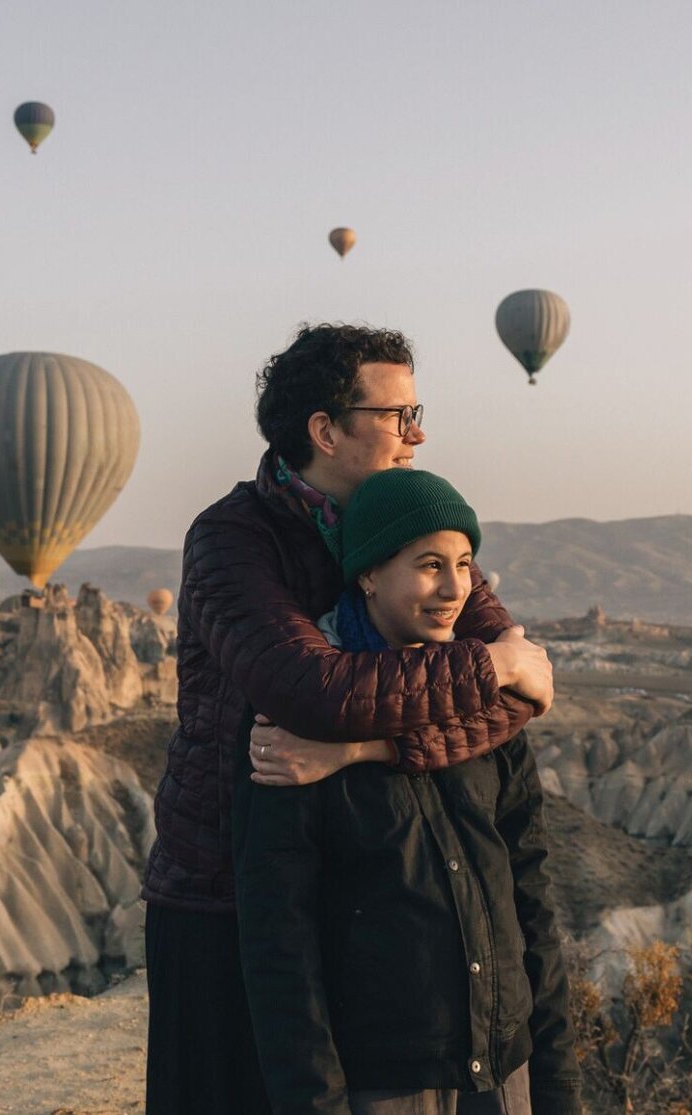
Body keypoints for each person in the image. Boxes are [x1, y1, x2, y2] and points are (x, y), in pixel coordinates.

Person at [143, 324, 556, 1114]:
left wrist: (367, 746)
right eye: (399, 414)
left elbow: (516, 694)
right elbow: (311, 689)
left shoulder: (415, 527)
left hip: (358, 897)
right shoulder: (234, 541)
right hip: (224, 897)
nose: (418, 432)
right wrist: (491, 667)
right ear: (325, 430)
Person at [234, 469, 581, 1115]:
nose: (455, 589)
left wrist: (557, 1081)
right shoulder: (298, 731)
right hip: (384, 1083)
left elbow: (531, 902)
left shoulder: (490, 717)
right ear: (368, 573)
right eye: (428, 566)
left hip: (505, 1071)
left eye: (465, 564)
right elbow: (281, 951)